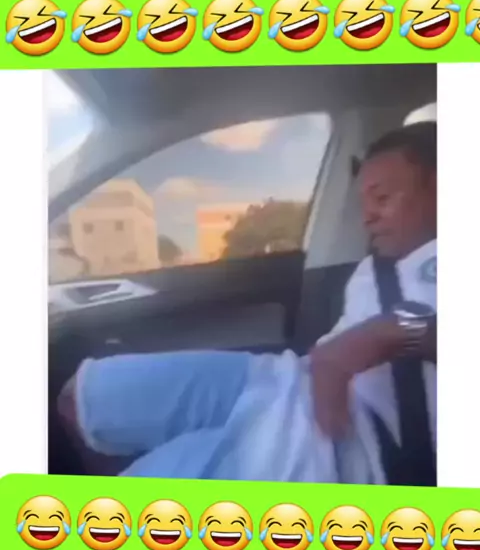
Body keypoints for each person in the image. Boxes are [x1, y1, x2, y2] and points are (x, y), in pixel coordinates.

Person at [58, 121, 437, 488]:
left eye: (382, 198)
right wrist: (332, 358)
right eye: (363, 202)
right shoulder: (375, 266)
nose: (367, 216)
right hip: (287, 381)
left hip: (340, 450)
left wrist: (380, 335)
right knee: (81, 397)